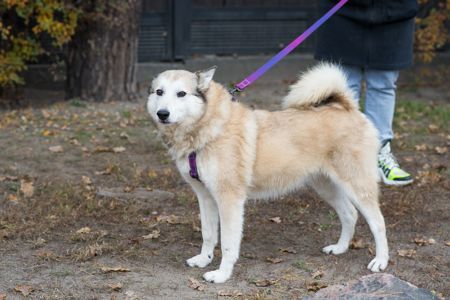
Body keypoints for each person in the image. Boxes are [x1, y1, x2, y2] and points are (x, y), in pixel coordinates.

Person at [315, 0, 418, 186]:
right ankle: (340, 153)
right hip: (342, 11)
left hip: (394, 12)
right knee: (343, 85)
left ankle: (379, 153)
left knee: (383, 84)